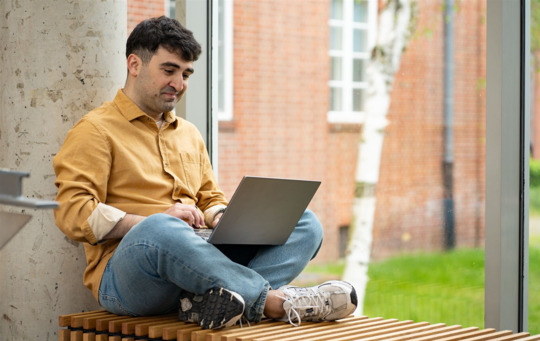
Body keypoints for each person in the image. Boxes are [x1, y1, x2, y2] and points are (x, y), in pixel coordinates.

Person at [53, 16, 357, 330]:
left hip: (199, 258)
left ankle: (208, 302)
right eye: (169, 70)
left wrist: (220, 217)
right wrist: (154, 222)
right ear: (134, 64)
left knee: (305, 222)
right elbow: (72, 213)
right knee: (161, 229)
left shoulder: (189, 134)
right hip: (131, 278)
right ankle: (275, 303)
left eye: (186, 74)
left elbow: (210, 198)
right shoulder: (95, 130)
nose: (179, 84)